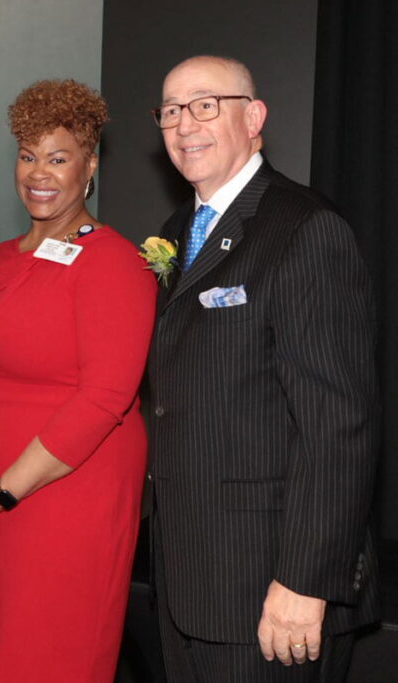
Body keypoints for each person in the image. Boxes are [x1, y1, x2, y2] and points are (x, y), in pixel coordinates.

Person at [147, 55, 378, 681]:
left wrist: (305, 580)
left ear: (254, 118)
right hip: (190, 580)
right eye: (170, 110)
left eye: (204, 104)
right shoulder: (177, 231)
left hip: (271, 589)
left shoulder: (305, 228)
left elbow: (337, 425)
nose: (183, 124)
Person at [0, 79, 157, 682]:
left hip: (65, 495)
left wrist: (6, 489)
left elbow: (106, 398)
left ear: (89, 167)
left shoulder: (115, 261)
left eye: (58, 158)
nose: (40, 173)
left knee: (48, 657)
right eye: (28, 156)